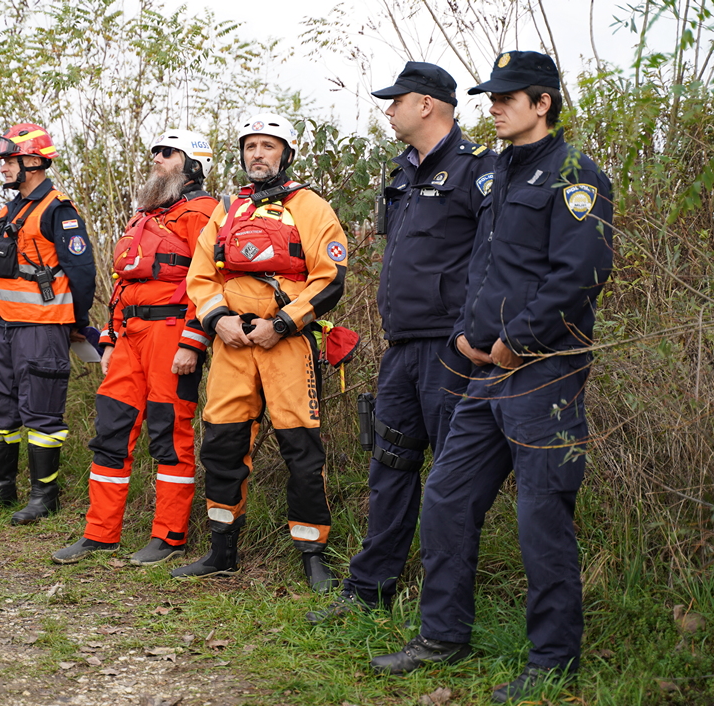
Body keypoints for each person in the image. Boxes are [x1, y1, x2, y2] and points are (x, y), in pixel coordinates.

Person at [370, 51, 614, 703]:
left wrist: (515, 341)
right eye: (491, 96)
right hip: (483, 374)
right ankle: (442, 636)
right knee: (446, 499)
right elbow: (480, 265)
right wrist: (466, 333)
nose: (495, 105)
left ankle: (552, 658)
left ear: (543, 103)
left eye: (509, 97)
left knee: (541, 516)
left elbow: (580, 274)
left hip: (543, 374)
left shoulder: (573, 175)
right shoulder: (496, 173)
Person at [306, 62, 495, 624]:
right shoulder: (401, 173)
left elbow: (491, 264)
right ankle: (370, 589)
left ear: (429, 105)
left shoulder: (477, 172)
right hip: (401, 348)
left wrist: (473, 334)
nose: (388, 109)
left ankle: (442, 610)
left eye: (397, 100)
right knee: (388, 466)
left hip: (450, 350)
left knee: (451, 482)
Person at [173, 113, 348, 592]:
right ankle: (221, 551)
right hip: (233, 344)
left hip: (286, 343)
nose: (258, 154)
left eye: (268, 146)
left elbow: (330, 278)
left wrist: (283, 324)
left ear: (286, 154)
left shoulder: (309, 206)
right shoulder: (227, 207)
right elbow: (201, 275)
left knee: (301, 452)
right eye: (250, 146)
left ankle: (313, 555)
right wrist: (217, 320)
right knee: (222, 447)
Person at [52, 129, 218, 566]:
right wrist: (108, 339)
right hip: (128, 339)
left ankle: (170, 537)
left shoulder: (204, 213)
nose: (157, 158)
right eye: (155, 152)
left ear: (193, 164)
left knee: (170, 435)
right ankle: (100, 534)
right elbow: (124, 284)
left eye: (167, 153)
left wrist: (193, 342)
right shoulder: (141, 217)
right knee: (110, 433)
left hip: (172, 336)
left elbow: (209, 284)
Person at [0, 123, 97, 525]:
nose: (3, 167)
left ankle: (44, 497)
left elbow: (82, 272)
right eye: (2, 160)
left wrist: (76, 322)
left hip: (43, 327)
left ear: (33, 161)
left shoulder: (59, 210)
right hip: (7, 326)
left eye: (9, 160)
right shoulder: (10, 208)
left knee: (41, 414)